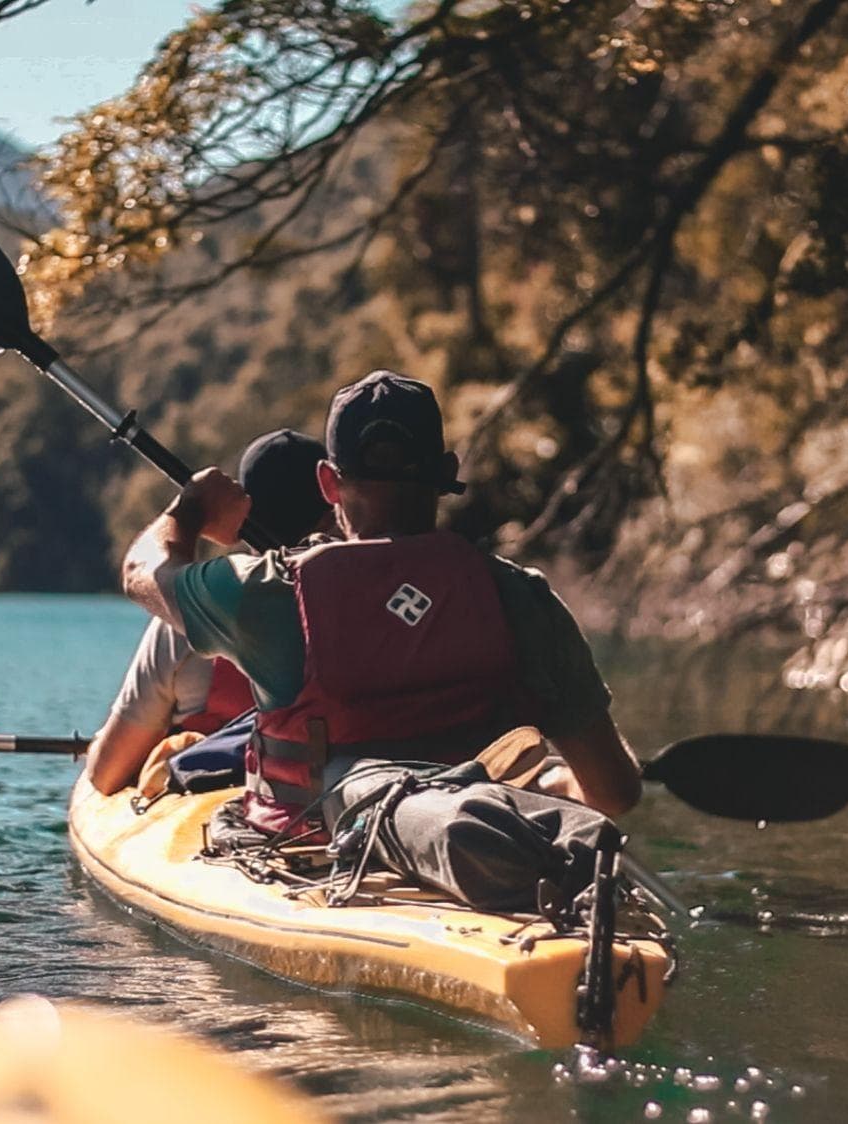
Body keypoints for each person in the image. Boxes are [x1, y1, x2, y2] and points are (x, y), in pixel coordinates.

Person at [120, 371, 643, 909]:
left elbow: (142, 573)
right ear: (446, 473)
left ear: (327, 483)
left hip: (310, 857)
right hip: (491, 854)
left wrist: (191, 511)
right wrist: (556, 789)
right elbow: (615, 793)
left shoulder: (270, 594)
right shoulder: (522, 598)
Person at [87, 428, 330, 795]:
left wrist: (192, 511)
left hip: (234, 807)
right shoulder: (369, 597)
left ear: (241, 517)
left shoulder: (183, 622)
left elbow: (106, 773)